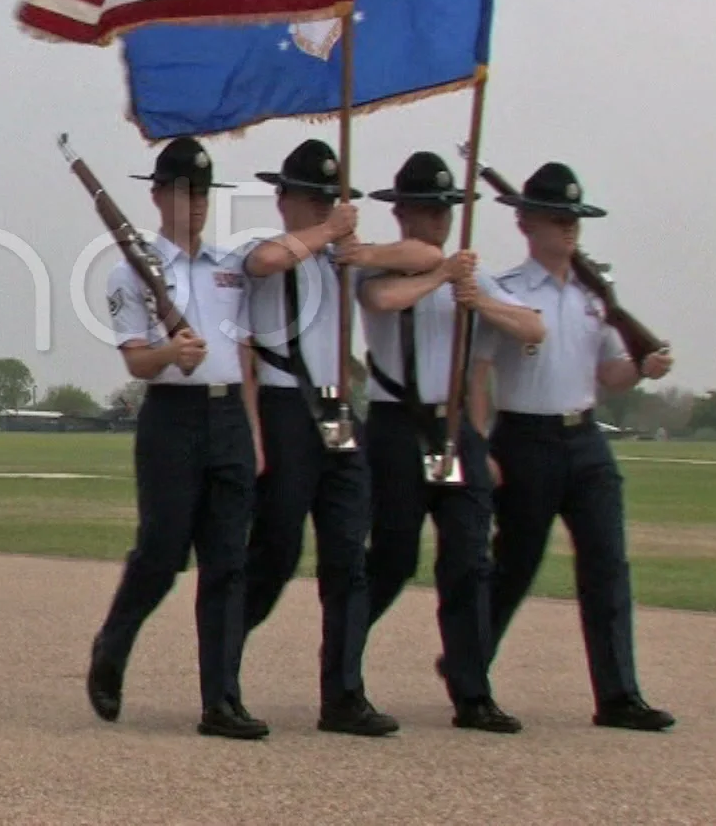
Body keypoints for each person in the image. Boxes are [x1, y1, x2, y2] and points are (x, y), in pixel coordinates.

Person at [240, 138, 441, 738]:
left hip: (335, 410)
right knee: (275, 552)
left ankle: (344, 693)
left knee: (349, 557)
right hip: (283, 405)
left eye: (331, 198)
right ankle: (221, 665)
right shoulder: (266, 247)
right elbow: (270, 262)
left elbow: (424, 252)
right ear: (283, 200)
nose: (324, 206)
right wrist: (328, 234)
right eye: (313, 198)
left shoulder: (341, 259)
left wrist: (357, 244)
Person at [469, 162, 676, 732]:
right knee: (514, 564)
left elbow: (611, 375)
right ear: (527, 224)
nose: (569, 230)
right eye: (558, 219)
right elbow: (479, 371)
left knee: (608, 564)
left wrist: (643, 365)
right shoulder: (506, 291)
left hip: (584, 438)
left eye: (574, 220)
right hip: (525, 437)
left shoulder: (594, 296)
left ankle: (618, 693)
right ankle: (470, 676)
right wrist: (480, 442)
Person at [357, 151, 546, 735]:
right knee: (391, 557)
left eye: (445, 210)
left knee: (469, 558)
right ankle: (341, 665)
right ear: (404, 213)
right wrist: (440, 276)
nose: (437, 221)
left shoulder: (468, 278)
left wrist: (479, 299)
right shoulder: (382, 271)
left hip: (452, 427)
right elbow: (382, 302)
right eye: (427, 210)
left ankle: (471, 688)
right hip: (395, 423)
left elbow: (533, 327)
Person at [83, 138, 262, 739]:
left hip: (229, 415)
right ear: (158, 196)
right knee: (162, 553)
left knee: (228, 563)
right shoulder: (128, 271)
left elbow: (245, 355)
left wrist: (253, 433)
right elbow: (137, 362)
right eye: (184, 192)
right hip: (172, 418)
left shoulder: (232, 271)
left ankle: (222, 700)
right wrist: (170, 351)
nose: (196, 204)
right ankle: (113, 641)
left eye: (204, 193)